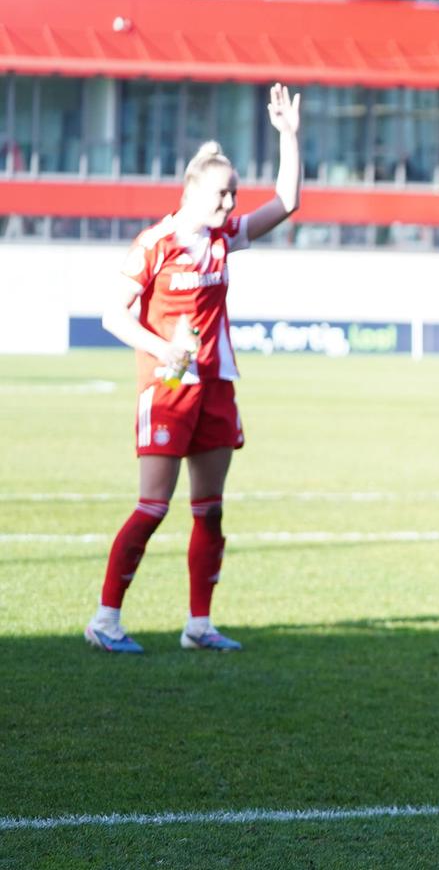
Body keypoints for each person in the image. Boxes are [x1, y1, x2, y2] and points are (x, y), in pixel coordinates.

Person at [84, 84, 303, 656]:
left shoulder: (224, 239)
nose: (231, 206)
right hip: (167, 387)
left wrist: (289, 137)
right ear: (192, 192)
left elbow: (286, 202)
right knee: (153, 507)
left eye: (233, 195)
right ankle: (105, 619)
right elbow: (113, 315)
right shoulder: (155, 243)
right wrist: (162, 350)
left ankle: (198, 625)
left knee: (209, 510)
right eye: (223, 196)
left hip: (217, 386)